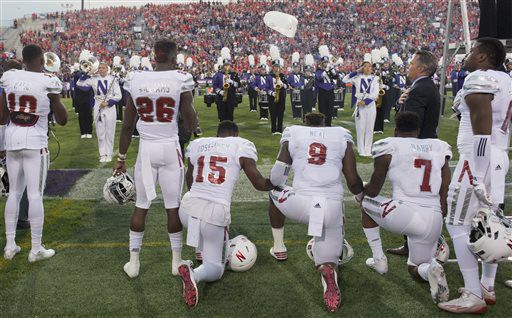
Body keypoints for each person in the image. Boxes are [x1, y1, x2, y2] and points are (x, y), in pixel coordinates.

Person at [112, 39, 198, 279]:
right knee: (173, 207)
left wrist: (120, 157)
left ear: (153, 56)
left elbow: (128, 125)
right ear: (174, 57)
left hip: (146, 150)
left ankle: (134, 262)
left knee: (141, 205)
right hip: (170, 148)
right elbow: (192, 124)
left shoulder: (136, 79)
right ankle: (176, 262)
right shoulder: (181, 79)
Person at [438, 38, 511, 314]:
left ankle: (472, 293)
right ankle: (487, 285)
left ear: (483, 57)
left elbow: (481, 130)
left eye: (472, 51)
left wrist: (477, 174)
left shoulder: (479, 77)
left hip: (478, 158)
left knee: (456, 221)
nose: (467, 55)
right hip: (499, 156)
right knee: (490, 221)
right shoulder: (507, 80)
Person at [267, 112, 364, 312]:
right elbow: (353, 181)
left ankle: (279, 247)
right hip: (331, 206)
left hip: (301, 204)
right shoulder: (340, 134)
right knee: (328, 260)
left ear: (305, 123)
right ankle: (327, 269)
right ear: (325, 123)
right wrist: (362, 197)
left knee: (273, 191)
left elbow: (277, 175)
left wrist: (273, 183)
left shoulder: (293, 132)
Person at [177, 121, 274, 308]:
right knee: (215, 270)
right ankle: (195, 274)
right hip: (214, 214)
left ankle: (200, 249)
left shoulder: (199, 144)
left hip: (187, 208)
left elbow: (190, 177)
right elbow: (259, 184)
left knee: (200, 219)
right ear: (236, 134)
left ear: (217, 134)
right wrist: (276, 183)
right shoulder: (241, 145)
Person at [360, 111, 452, 305]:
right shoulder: (439, 146)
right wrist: (443, 207)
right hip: (434, 217)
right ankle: (429, 271)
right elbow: (445, 184)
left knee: (364, 203)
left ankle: (379, 260)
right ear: (418, 131)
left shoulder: (389, 145)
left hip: (405, 213)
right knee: (416, 268)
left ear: (395, 130)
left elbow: (374, 190)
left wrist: (361, 189)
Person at [0, 44, 68, 262]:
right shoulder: (49, 81)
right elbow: (63, 119)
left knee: (14, 193)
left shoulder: (9, 76)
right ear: (41, 60)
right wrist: (54, 100)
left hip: (12, 138)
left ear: (23, 59)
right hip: (35, 141)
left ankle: (10, 246)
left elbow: (2, 116)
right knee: (35, 194)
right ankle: (36, 248)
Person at [389, 50, 442, 256]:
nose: (408, 66)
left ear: (421, 68)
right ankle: (413, 243)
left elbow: (411, 123)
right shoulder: (424, 86)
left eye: (412, 63)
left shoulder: (419, 88)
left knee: (411, 198)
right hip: (425, 147)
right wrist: (400, 103)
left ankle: (420, 244)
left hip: (417, 149)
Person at [77, 62, 121, 162]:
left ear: (107, 69)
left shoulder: (113, 79)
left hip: (109, 107)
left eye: (103, 68)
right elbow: (79, 84)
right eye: (99, 68)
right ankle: (102, 154)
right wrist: (88, 73)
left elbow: (119, 95)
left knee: (109, 131)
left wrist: (108, 102)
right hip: (98, 106)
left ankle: (109, 154)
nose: (101, 69)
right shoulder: (93, 79)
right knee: (100, 132)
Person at [343, 61, 379, 157]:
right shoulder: (357, 77)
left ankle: (368, 150)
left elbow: (376, 93)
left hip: (370, 104)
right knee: (360, 128)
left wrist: (366, 101)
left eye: (369, 66)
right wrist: (356, 71)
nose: (367, 68)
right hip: (359, 103)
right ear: (362, 68)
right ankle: (361, 150)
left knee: (370, 128)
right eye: (365, 66)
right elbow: (344, 80)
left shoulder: (375, 78)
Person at [265, 60, 288, 135]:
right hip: (272, 97)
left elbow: (286, 86)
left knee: (281, 113)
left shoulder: (282, 75)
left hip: (281, 96)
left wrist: (282, 84)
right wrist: (272, 93)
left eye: (278, 66)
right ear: (273, 67)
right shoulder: (269, 76)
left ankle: (280, 130)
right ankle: (273, 130)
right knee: (273, 114)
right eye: (275, 66)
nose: (276, 68)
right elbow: (266, 88)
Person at [315, 56, 336, 127]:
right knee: (322, 110)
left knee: (330, 110)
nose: (326, 63)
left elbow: (336, 77)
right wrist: (326, 70)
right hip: (322, 91)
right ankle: (322, 125)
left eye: (327, 62)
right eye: (325, 62)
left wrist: (333, 71)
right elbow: (319, 77)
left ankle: (329, 125)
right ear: (321, 63)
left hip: (330, 91)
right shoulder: (318, 71)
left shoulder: (330, 70)